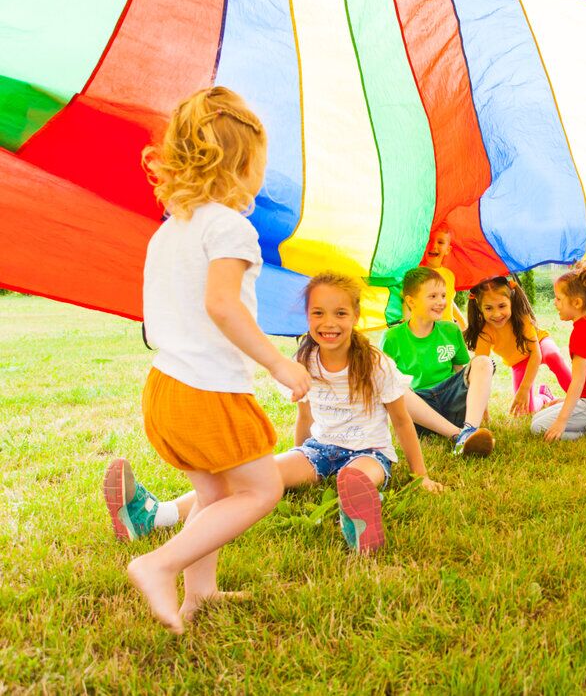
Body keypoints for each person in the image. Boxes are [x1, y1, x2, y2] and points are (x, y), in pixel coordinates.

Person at [109, 87, 311, 633]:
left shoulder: (169, 232)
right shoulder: (230, 226)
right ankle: (158, 564)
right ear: (243, 164)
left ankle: (203, 594)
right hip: (206, 390)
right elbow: (221, 304)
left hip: (166, 386)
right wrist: (278, 363)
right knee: (262, 488)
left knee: (214, 495)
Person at [106, 272, 445, 560]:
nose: (329, 323)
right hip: (320, 450)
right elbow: (305, 416)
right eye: (318, 313)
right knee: (255, 479)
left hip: (368, 452)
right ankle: (153, 517)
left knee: (358, 475)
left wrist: (420, 475)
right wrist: (300, 459)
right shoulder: (304, 360)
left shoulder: (375, 363)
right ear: (307, 317)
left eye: (340, 313)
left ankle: (354, 515)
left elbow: (401, 420)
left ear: (355, 316)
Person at [381, 267, 495, 456]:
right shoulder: (392, 338)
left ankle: (469, 430)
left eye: (443, 295)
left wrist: (483, 409)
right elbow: (384, 387)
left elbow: (464, 373)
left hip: (453, 402)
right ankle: (459, 436)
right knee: (394, 385)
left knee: (483, 361)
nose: (441, 302)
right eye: (432, 296)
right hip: (421, 411)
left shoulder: (451, 330)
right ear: (411, 301)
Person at [530, 264, 586, 440]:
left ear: (577, 302)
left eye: (559, 299)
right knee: (538, 417)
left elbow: (578, 381)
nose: (555, 303)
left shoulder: (583, 332)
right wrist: (567, 402)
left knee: (538, 428)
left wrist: (562, 420)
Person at [465, 276, 572, 415]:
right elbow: (479, 371)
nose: (496, 314)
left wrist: (524, 388)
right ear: (480, 308)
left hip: (539, 346)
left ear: (511, 302)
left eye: (502, 306)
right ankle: (544, 397)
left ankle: (580, 397)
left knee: (553, 356)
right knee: (526, 410)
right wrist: (481, 406)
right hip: (519, 361)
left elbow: (536, 353)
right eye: (489, 308)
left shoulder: (521, 318)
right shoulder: (484, 333)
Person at [422, 225, 467, 330]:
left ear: (447, 249)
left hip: (447, 330)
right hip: (428, 331)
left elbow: (448, 300)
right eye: (429, 241)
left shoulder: (449, 275)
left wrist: (462, 322)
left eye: (440, 242)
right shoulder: (418, 274)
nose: (433, 246)